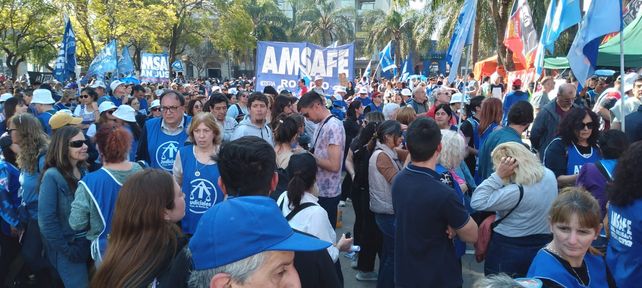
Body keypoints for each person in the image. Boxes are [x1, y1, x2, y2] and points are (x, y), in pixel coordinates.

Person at [207, 136, 342, 288]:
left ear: (221, 185)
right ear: (274, 182)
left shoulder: (194, 256)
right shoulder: (313, 250)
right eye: (281, 272)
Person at [392, 117, 478, 287]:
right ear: (439, 147)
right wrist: (453, 222)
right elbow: (472, 234)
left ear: (408, 147)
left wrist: (451, 223)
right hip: (436, 276)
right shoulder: (444, 193)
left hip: (406, 273)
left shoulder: (399, 179)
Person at [91, 170, 190, 288]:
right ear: (164, 213)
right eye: (179, 194)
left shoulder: (115, 253)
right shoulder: (178, 256)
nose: (184, 196)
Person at [471, 142, 557, 277]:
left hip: (509, 247)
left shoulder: (515, 191)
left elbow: (477, 201)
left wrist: (498, 176)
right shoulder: (549, 175)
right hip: (543, 242)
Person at [69, 126, 143, 262]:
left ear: (100, 149)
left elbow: (77, 223)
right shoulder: (140, 170)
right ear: (126, 146)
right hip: (140, 243)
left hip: (108, 250)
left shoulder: (90, 182)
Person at [276, 153, 353, 273]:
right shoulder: (317, 213)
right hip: (307, 276)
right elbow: (327, 257)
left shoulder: (282, 198)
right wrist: (339, 246)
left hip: (287, 269)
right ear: (315, 177)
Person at [527, 187, 613, 287]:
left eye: (582, 232)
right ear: (550, 225)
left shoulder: (595, 258)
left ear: (597, 232)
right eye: (564, 229)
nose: (572, 241)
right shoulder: (546, 278)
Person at [37, 126, 90, 287]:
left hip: (88, 241)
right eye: (77, 143)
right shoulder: (52, 176)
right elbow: (46, 221)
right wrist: (67, 250)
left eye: (84, 141)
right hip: (70, 247)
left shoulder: (83, 169)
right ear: (62, 147)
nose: (85, 146)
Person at [9, 114, 50, 285]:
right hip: (30, 213)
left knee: (32, 254)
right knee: (30, 254)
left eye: (10, 129)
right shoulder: (28, 153)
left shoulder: (43, 156)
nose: (8, 133)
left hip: (42, 215)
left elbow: (51, 189)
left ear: (21, 131)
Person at [368, 120, 408, 288]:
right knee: (392, 257)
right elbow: (399, 181)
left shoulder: (388, 151)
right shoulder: (382, 156)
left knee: (388, 254)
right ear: (387, 137)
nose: (401, 138)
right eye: (398, 135)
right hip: (387, 213)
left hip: (387, 212)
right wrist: (410, 159)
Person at [298, 91, 346, 228]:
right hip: (319, 189)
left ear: (317, 106)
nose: (307, 119)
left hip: (327, 193)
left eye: (307, 115)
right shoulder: (322, 124)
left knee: (325, 238)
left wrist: (309, 156)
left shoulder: (333, 126)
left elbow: (334, 165)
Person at [173, 113, 224, 235]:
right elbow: (176, 184)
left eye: (206, 130)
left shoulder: (224, 154)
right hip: (189, 223)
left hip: (216, 224)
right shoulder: (183, 154)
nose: (201, 136)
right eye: (197, 131)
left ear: (214, 132)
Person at [576, 129, 629, 218]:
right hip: (624, 225)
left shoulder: (589, 169)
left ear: (600, 149)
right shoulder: (633, 170)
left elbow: (578, 200)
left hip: (596, 224)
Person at [544, 107, 601, 187]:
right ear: (571, 126)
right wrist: (582, 176)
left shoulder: (598, 145)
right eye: (581, 125)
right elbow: (555, 178)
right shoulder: (559, 146)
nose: (586, 129)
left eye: (590, 125)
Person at [477, 101, 533, 182]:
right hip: (500, 191)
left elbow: (481, 166)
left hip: (485, 186)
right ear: (528, 122)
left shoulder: (493, 135)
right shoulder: (515, 145)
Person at [136, 90, 191, 171]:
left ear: (182, 108)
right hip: (156, 181)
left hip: (185, 182)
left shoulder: (194, 125)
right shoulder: (149, 125)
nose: (168, 112)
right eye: (164, 108)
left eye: (173, 108)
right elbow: (141, 157)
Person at [531, 83, 578, 159]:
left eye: (573, 99)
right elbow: (535, 134)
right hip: (550, 154)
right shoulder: (546, 112)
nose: (571, 102)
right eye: (567, 100)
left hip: (570, 154)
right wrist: (539, 149)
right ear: (558, 95)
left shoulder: (577, 110)